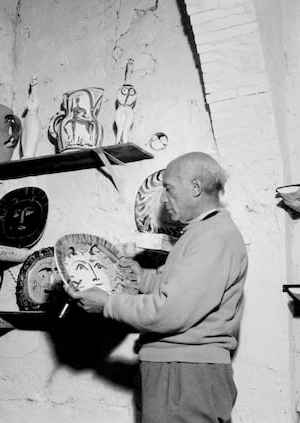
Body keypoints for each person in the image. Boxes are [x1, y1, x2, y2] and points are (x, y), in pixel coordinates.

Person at [64, 151, 248, 423]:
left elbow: (169, 311)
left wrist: (107, 304)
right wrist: (142, 278)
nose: (162, 198)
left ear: (195, 187)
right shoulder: (201, 232)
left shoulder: (213, 237)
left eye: (169, 188)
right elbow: (180, 291)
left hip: (184, 373)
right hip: (180, 370)